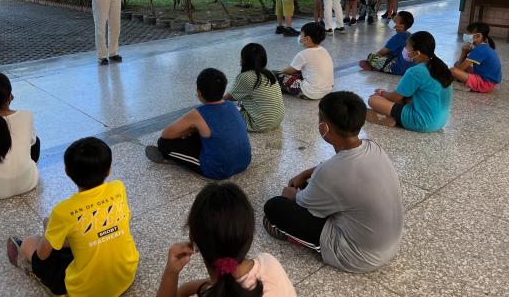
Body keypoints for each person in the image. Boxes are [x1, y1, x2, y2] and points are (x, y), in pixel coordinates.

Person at [263, 91, 403, 274]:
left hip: (358, 256)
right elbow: (333, 168)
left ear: (324, 127)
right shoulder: (373, 147)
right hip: (389, 244)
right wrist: (306, 173)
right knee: (318, 188)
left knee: (274, 207)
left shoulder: (331, 172)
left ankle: (300, 240)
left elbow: (300, 203)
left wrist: (290, 194)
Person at [7, 137, 139, 297]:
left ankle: (42, 275)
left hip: (85, 290)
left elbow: (42, 255)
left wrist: (48, 230)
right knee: (69, 235)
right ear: (109, 169)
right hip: (126, 275)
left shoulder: (63, 211)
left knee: (30, 243)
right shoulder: (118, 188)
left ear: (67, 172)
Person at [157, 182, 297, 297]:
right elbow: (200, 286)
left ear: (193, 240)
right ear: (249, 237)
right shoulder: (269, 262)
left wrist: (171, 272)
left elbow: (188, 290)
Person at [145, 68, 251, 180]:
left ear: (199, 92)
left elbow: (166, 134)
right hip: (245, 162)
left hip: (218, 170)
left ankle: (171, 157)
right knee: (203, 133)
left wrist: (187, 131)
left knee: (164, 143)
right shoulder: (231, 105)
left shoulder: (199, 113)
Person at [366, 31, 453, 132]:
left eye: (407, 47)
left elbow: (394, 97)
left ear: (417, 53)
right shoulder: (441, 66)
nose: (405, 50)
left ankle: (391, 119)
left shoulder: (415, 71)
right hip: (440, 122)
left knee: (373, 100)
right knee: (402, 98)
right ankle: (395, 116)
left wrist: (381, 92)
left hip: (422, 122)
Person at [224, 43, 285, 132]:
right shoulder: (269, 73)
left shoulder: (246, 77)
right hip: (278, 120)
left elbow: (229, 98)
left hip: (259, 124)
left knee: (225, 109)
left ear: (244, 60)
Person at [274, 22, 334, 99]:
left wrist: (278, 73)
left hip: (311, 93)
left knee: (279, 77)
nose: (300, 36)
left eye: (301, 34)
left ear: (307, 38)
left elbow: (289, 71)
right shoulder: (324, 50)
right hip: (327, 90)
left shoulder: (303, 54)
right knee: (300, 71)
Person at [450, 22, 502, 93]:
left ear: (478, 36)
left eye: (469, 33)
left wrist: (463, 53)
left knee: (453, 70)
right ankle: (463, 80)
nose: (466, 35)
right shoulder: (484, 47)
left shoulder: (479, 50)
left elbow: (459, 69)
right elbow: (460, 66)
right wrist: (465, 53)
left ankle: (468, 85)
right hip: (488, 81)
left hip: (484, 83)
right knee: (457, 64)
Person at [360, 11, 415, 75]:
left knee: (371, 57)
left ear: (401, 26)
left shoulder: (398, 37)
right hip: (411, 67)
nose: (392, 20)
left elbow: (381, 52)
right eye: (394, 18)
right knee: (389, 54)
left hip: (399, 69)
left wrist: (370, 61)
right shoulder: (409, 35)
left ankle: (375, 68)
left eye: (395, 20)